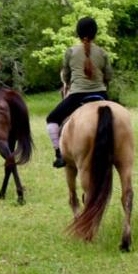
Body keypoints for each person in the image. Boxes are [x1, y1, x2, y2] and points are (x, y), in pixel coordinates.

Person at [46, 16, 113, 168]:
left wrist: (69, 83)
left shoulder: (70, 52)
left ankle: (59, 154)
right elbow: (109, 76)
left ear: (78, 33)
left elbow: (66, 76)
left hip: (77, 96)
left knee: (51, 119)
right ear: (95, 33)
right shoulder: (102, 53)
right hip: (101, 94)